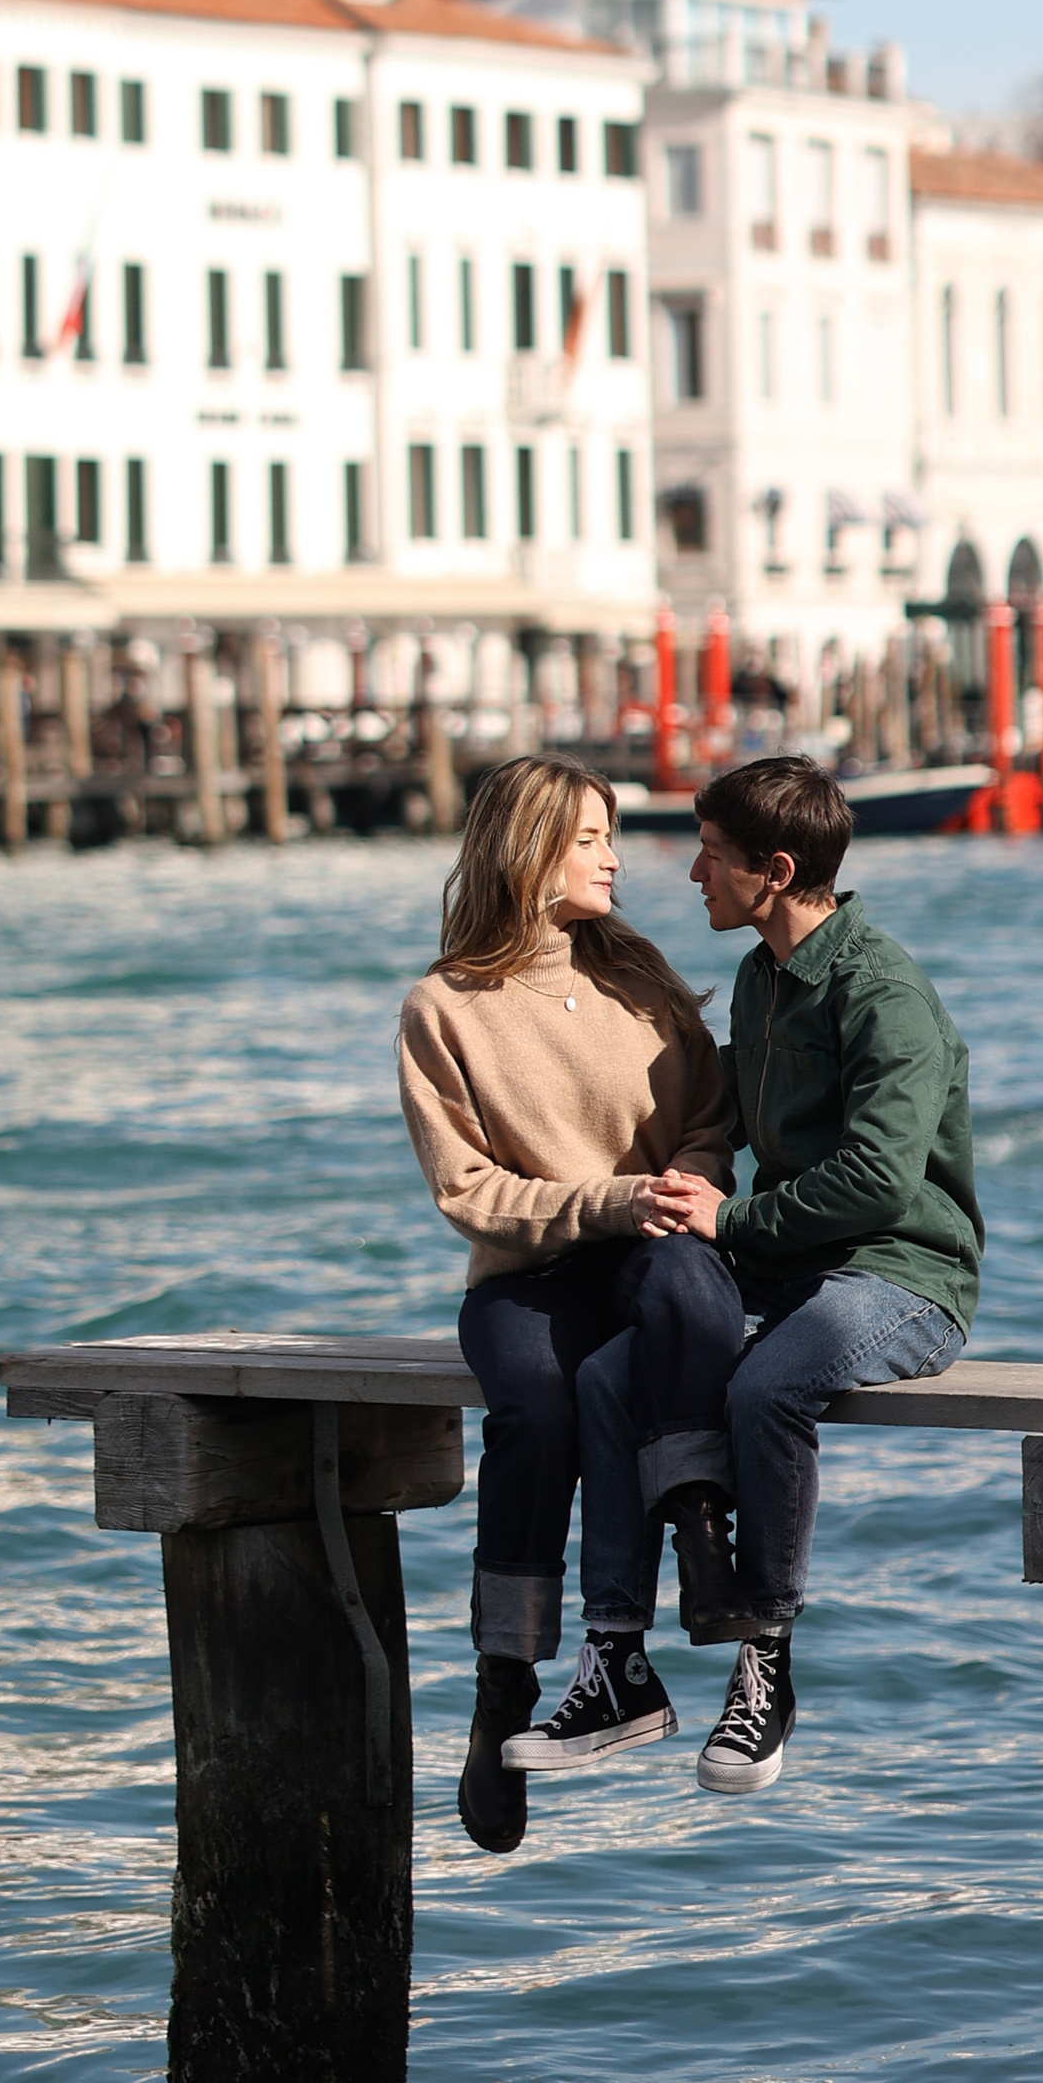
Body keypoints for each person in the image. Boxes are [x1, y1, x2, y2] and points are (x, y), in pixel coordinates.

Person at [616, 751, 984, 1799]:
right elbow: (726, 1107)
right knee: (614, 1368)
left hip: (904, 1276)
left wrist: (730, 1220)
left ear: (773, 872)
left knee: (767, 1385)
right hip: (788, 1265)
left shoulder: (883, 994)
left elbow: (876, 1182)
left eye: (712, 856)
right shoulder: (757, 974)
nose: (693, 873)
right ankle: (629, 1634)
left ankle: (764, 1657)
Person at [399, 756, 746, 1852]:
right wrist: (608, 1200)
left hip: (655, 1250)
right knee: (537, 1413)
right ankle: (502, 1686)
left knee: (688, 1299)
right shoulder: (444, 1008)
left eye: (608, 836)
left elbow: (709, 1113)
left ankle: (697, 1534)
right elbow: (468, 1192)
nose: (613, 857)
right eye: (590, 837)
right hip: (529, 1275)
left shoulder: (638, 974)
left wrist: (693, 1182)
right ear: (531, 849)